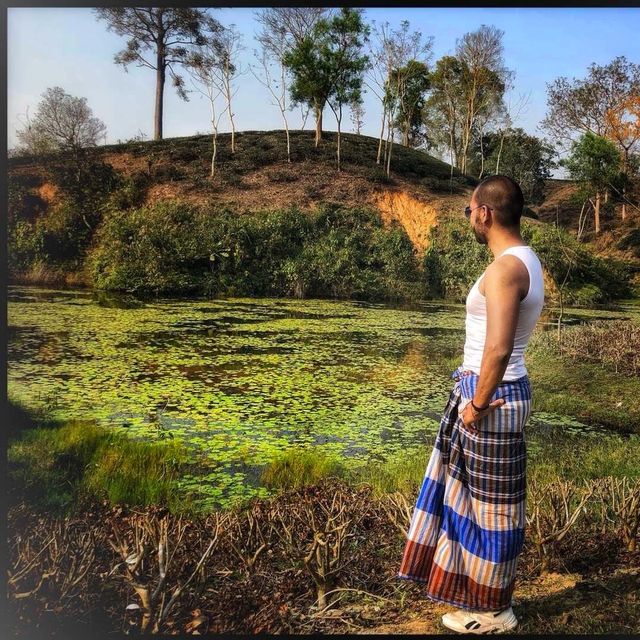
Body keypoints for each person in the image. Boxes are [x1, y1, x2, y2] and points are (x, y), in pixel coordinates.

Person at [398, 175, 545, 634]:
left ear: (484, 212)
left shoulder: (505, 269)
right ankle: (480, 601)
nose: (469, 217)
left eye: (469, 210)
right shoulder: (524, 259)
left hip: (491, 398)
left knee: (491, 512)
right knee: (471, 505)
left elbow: (499, 349)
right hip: (492, 393)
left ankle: (495, 613)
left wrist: (477, 405)